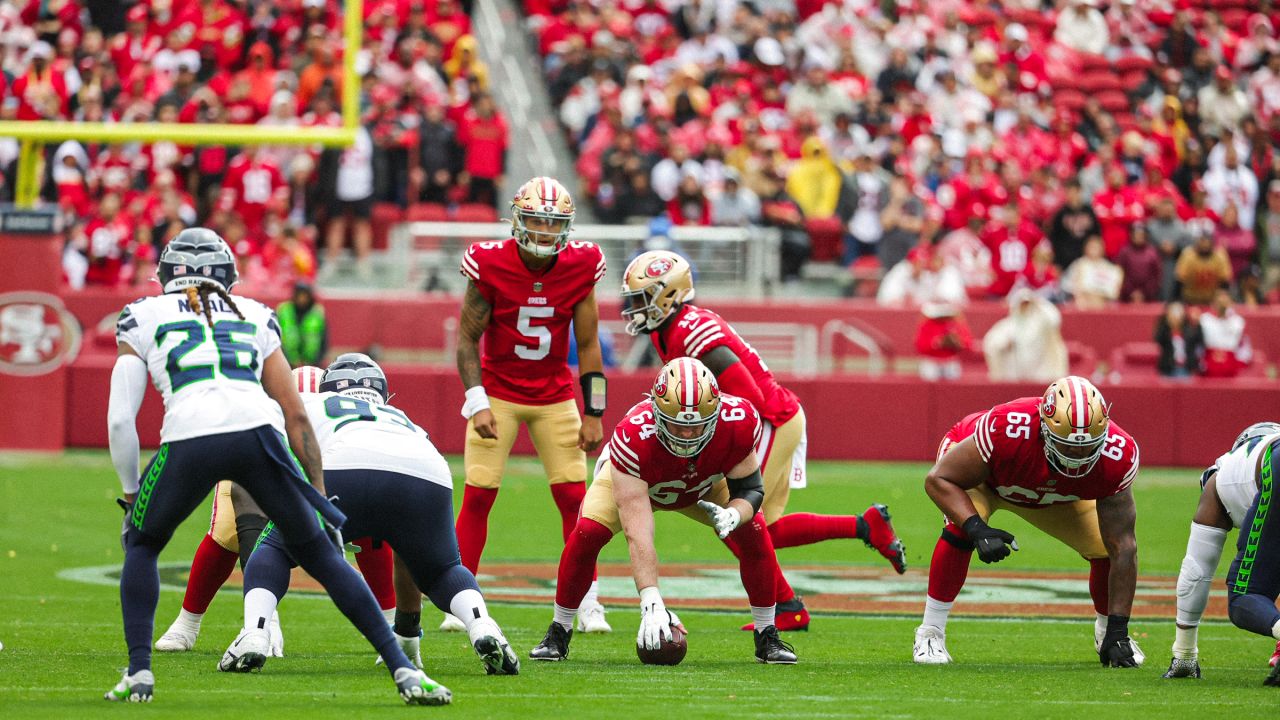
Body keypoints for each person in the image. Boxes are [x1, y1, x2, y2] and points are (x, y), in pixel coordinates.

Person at [104, 229, 445, 704]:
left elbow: (121, 418)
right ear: (228, 275)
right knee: (324, 554)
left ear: (166, 274)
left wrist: (129, 491)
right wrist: (320, 492)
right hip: (258, 436)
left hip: (190, 434)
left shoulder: (141, 314)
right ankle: (404, 669)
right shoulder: (257, 315)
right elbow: (296, 412)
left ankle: (139, 672)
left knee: (141, 545)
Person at [618, 251, 906, 631]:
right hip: (766, 416)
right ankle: (858, 532)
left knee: (744, 521)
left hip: (767, 419)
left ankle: (789, 603)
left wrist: (720, 447)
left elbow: (747, 401)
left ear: (669, 295)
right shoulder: (670, 329)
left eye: (643, 297)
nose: (634, 307)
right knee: (752, 526)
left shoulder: (689, 330)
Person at [218, 357, 519, 677]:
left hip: (345, 468)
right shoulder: (403, 419)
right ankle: (481, 624)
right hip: (427, 471)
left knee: (274, 548)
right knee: (442, 571)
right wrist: (406, 632)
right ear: (383, 395)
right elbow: (406, 555)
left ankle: (256, 632)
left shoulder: (313, 400)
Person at [527, 358, 799, 664]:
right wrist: (650, 599)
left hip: (703, 485)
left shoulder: (738, 420)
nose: (687, 435)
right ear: (656, 413)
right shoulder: (633, 436)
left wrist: (736, 513)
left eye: (696, 425)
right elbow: (638, 533)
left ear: (716, 413)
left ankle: (767, 636)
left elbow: (751, 489)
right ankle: (558, 632)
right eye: (677, 425)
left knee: (754, 530)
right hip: (640, 483)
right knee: (587, 533)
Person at [452, 177, 608, 632]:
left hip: (555, 394)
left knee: (577, 501)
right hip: (497, 392)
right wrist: (477, 401)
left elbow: (590, 344)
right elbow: (467, 338)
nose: (543, 231)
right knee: (479, 496)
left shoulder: (581, 265)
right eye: (536, 220)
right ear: (517, 219)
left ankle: (587, 600)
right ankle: (460, 599)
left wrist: (594, 411)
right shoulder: (489, 262)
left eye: (553, 222)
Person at [911, 377, 1143, 668]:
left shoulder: (1118, 454)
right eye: (1066, 446)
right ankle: (930, 631)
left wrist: (1119, 629)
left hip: (1055, 495)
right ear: (1044, 428)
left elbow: (1124, 545)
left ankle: (1109, 633)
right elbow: (939, 479)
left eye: (1087, 448)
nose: (1077, 458)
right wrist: (976, 528)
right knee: (960, 528)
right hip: (985, 480)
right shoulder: (1007, 427)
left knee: (1107, 547)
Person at [1162, 422, 1280, 681]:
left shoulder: (1220, 476)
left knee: (1245, 597)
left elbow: (1196, 570)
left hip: (1275, 468)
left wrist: (1184, 653)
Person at [982, 288, 1068, 382]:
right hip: (1015, 377)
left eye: (1027, 304)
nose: (1025, 307)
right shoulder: (1008, 326)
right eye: (1022, 304)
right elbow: (991, 344)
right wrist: (1004, 344)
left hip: (1039, 375)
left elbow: (1054, 319)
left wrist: (1039, 302)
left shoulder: (1040, 324)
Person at [277, 281, 328, 367]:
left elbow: (324, 340)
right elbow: (276, 337)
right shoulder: (284, 311)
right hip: (287, 363)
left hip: (312, 363)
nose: (302, 299)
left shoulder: (317, 313)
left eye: (305, 295)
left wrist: (316, 361)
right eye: (299, 295)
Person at [1200, 289, 1249, 378]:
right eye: (1219, 302)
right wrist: (1201, 363)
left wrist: (1238, 364)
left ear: (1231, 303)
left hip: (1230, 363)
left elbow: (1244, 347)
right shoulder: (1205, 320)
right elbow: (1197, 344)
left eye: (1225, 302)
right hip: (1209, 362)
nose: (1222, 305)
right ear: (1213, 303)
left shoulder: (1238, 322)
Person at [1154, 301, 1204, 378]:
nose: (1176, 315)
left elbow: (1198, 339)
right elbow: (1158, 338)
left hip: (1186, 369)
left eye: (1178, 311)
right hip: (1168, 369)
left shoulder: (1189, 330)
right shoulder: (1164, 330)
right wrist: (1167, 321)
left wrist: (1197, 323)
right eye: (1173, 312)